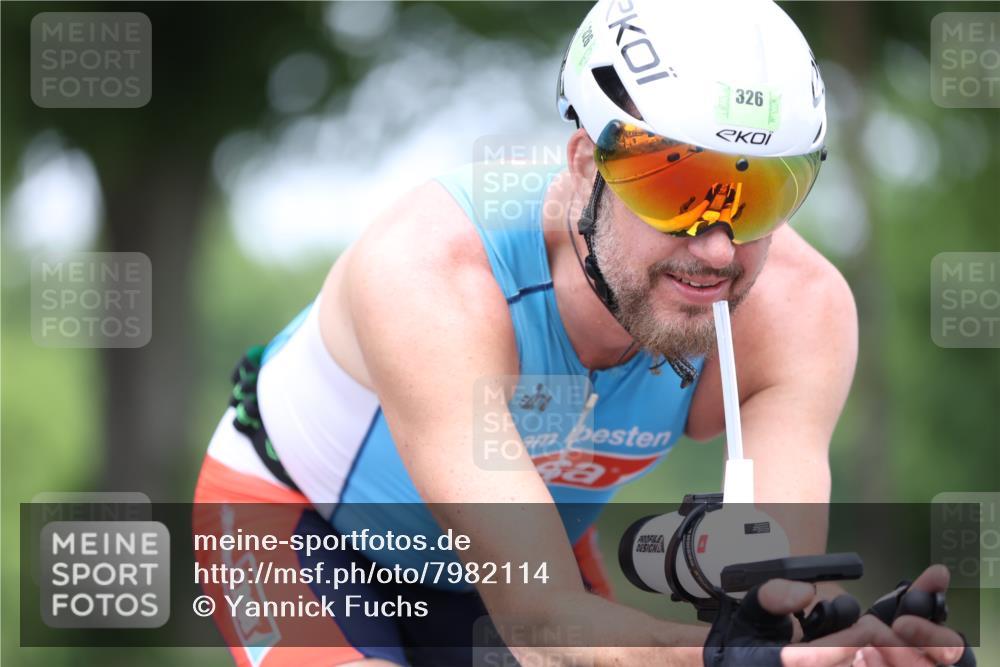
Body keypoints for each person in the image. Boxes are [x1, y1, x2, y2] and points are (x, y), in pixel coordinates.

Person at [194, 1, 972, 665]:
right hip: (296, 525)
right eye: (676, 186)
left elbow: (769, 588)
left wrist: (849, 641)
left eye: (759, 193)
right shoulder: (435, 273)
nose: (716, 247)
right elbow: (538, 620)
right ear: (582, 165)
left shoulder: (798, 309)